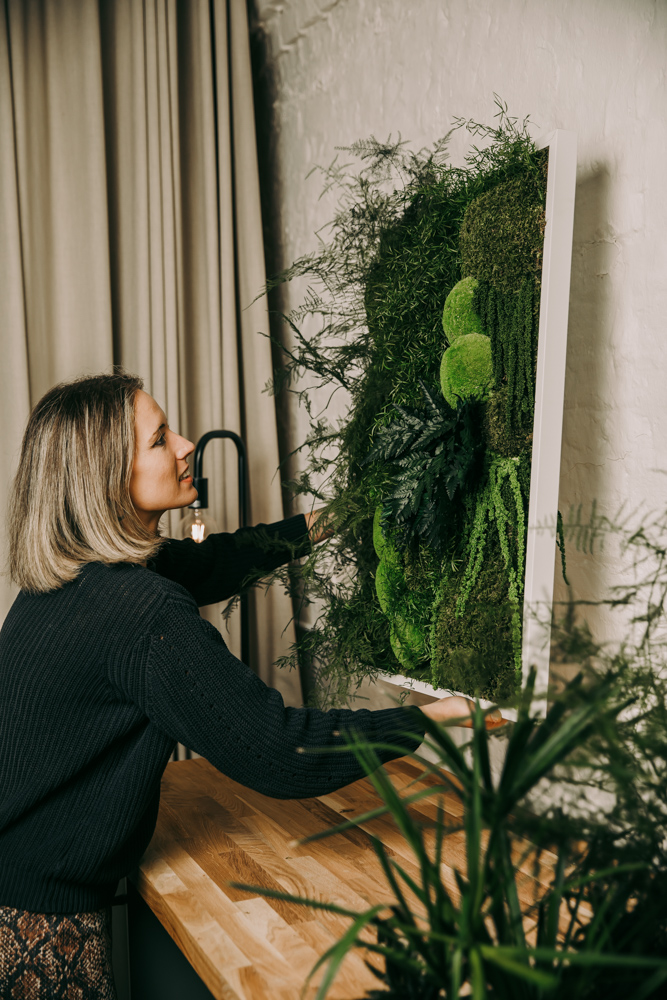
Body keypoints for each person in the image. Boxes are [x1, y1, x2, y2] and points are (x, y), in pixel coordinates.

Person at [0, 372, 503, 999]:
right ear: (107, 478)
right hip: (32, 928)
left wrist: (327, 522)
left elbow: (218, 560)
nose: (186, 445)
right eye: (160, 440)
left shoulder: (72, 581)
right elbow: (278, 751)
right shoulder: (139, 612)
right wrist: (430, 720)